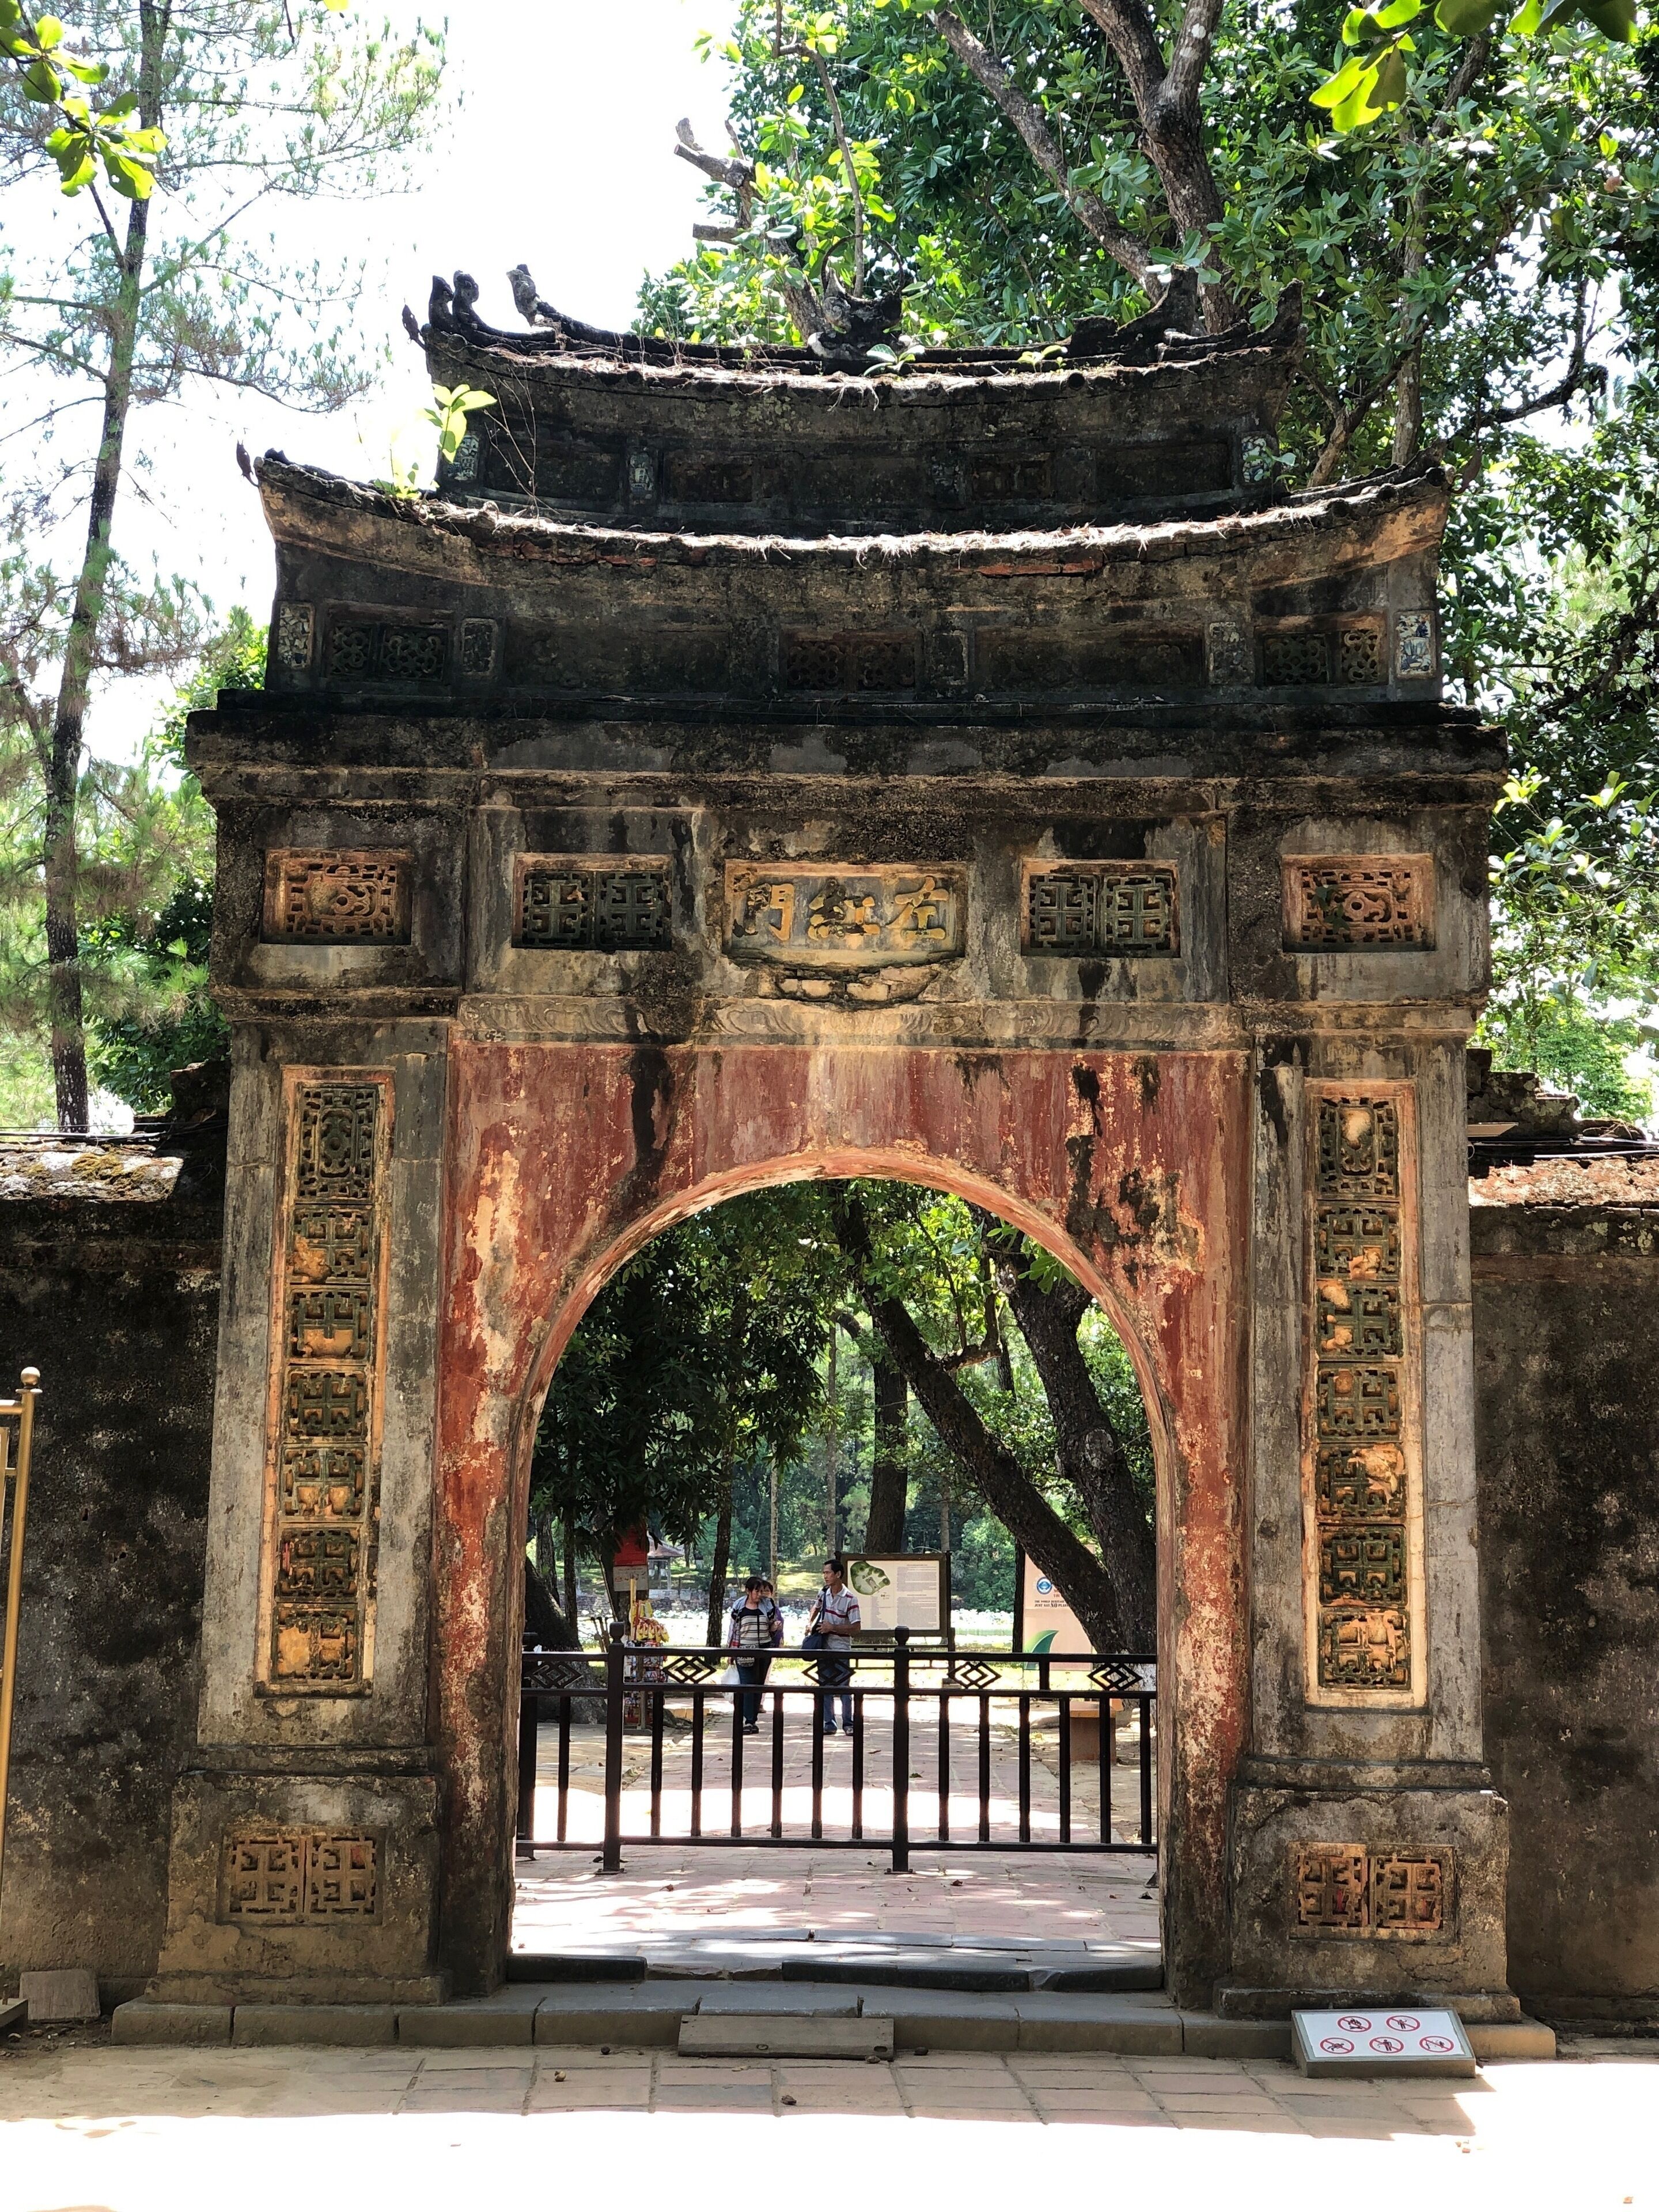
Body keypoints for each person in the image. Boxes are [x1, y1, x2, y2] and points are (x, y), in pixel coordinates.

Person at [808, 1555, 859, 1734]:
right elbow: (815, 1608)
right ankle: (829, 1723)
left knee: (845, 1687)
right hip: (824, 1647)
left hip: (841, 1647)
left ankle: (848, 1723)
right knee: (825, 1686)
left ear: (838, 1574)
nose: (825, 1576)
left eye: (828, 1573)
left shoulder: (850, 1599)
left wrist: (833, 1627)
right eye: (824, 1573)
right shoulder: (823, 1593)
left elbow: (856, 1627)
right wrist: (810, 1624)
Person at [727, 1574, 783, 1733]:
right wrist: (731, 1650)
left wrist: (775, 1628)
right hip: (744, 1649)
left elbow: (771, 1625)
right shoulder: (739, 1606)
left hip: (763, 1649)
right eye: (757, 1591)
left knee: (758, 1685)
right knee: (747, 1684)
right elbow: (734, 1630)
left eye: (761, 1592)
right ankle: (747, 1720)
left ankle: (752, 1720)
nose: (760, 1595)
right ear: (748, 1591)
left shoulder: (767, 1605)